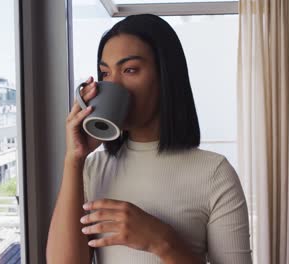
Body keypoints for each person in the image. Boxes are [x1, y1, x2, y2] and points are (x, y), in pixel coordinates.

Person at [47, 14, 252, 264]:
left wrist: (162, 241)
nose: (115, 85)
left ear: (166, 76)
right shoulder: (92, 169)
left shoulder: (215, 174)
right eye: (105, 73)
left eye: (130, 69)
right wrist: (74, 159)